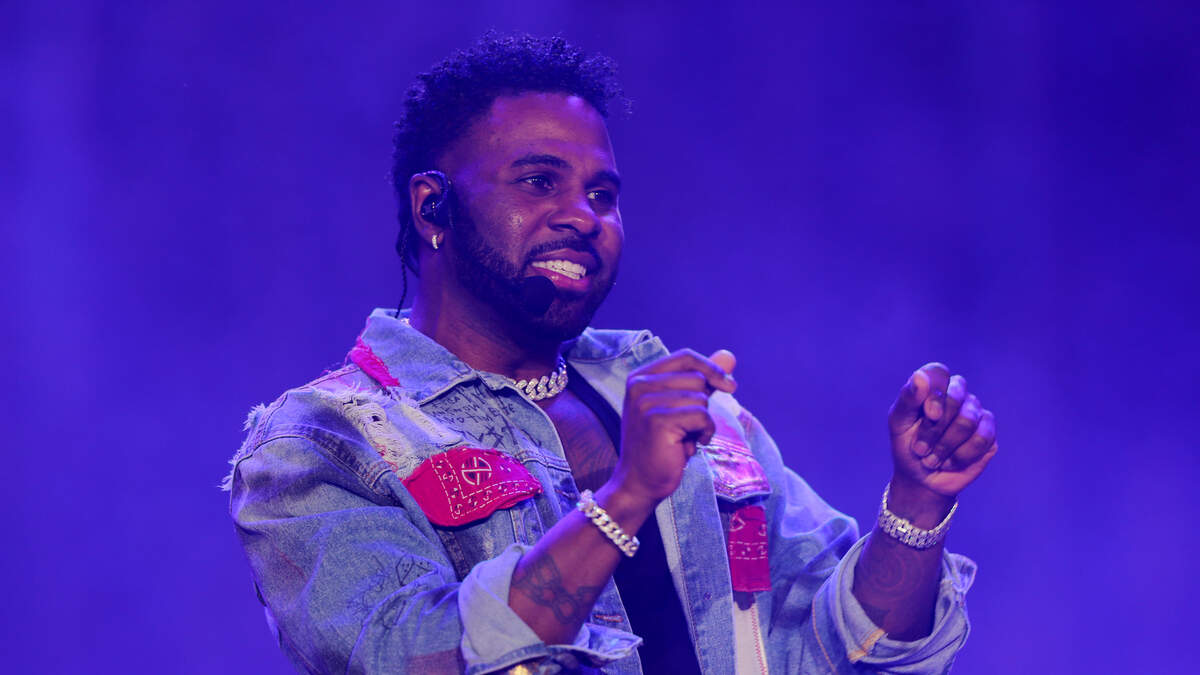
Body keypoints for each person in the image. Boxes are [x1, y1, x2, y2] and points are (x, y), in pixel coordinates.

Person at [225, 34, 997, 674]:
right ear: (434, 207)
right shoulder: (324, 441)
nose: (583, 216)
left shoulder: (679, 403)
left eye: (603, 195)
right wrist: (625, 497)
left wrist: (916, 504)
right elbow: (410, 656)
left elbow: (843, 647)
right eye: (539, 182)